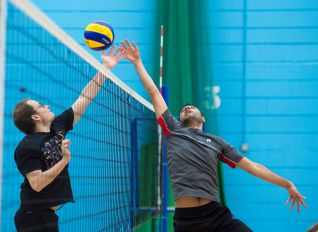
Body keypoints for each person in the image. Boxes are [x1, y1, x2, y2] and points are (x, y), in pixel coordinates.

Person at [120, 39, 308, 232]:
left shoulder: (218, 143)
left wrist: (287, 184)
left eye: (191, 107)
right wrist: (137, 62)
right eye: (184, 109)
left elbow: (252, 167)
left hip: (216, 216)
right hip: (187, 221)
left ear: (203, 118)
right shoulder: (173, 129)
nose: (187, 108)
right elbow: (153, 92)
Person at [13, 45, 124, 232]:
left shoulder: (58, 126)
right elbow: (37, 183)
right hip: (32, 217)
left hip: (46, 215)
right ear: (35, 117)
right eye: (40, 105)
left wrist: (105, 69)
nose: (46, 105)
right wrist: (64, 160)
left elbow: (85, 98)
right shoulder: (26, 147)